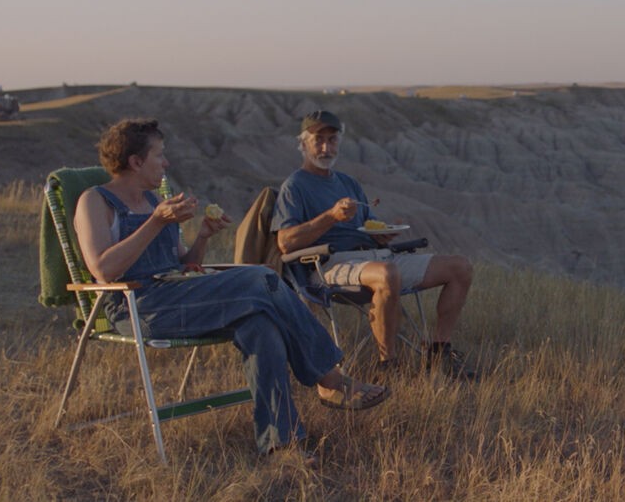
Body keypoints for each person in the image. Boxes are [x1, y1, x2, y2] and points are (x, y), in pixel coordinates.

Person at [73, 118, 389, 461]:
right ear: (135, 162)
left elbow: (184, 264)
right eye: (160, 156)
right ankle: (329, 378)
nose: (166, 163)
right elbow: (103, 270)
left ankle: (280, 444)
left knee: (261, 326)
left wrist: (204, 236)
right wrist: (156, 222)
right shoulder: (96, 202)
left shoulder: (152, 201)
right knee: (260, 277)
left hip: (179, 296)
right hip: (139, 306)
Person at [272, 110, 476, 380]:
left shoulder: (348, 183)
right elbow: (285, 243)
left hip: (375, 256)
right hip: (328, 265)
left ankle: (439, 353)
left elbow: (369, 225)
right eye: (318, 140)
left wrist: (382, 234)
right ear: (304, 143)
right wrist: (330, 217)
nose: (325, 147)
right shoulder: (294, 186)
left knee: (460, 267)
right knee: (387, 273)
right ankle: (387, 366)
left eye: (332, 140)